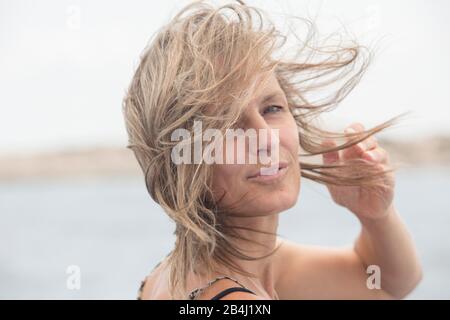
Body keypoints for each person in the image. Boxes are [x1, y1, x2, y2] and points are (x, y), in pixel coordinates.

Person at [123, 0, 422, 300]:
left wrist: (375, 216)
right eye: (228, 124)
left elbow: (385, 283)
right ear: (182, 160)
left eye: (272, 108)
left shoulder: (189, 270)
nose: (266, 139)